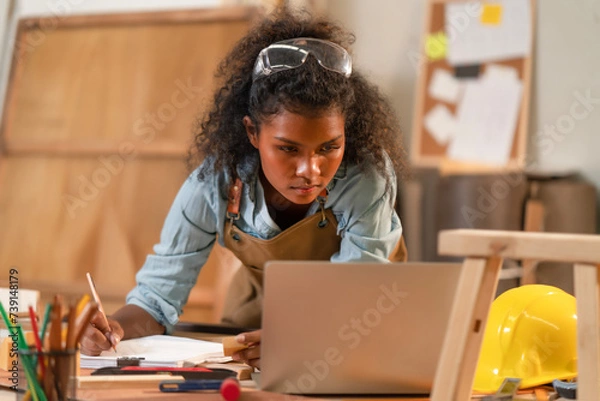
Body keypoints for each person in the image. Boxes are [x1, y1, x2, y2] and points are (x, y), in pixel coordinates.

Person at [80, 6, 408, 370]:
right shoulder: (215, 183)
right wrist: (114, 329)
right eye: (288, 148)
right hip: (264, 306)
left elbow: (354, 299)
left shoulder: (366, 178)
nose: (310, 170)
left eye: (329, 147)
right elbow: (156, 300)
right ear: (252, 132)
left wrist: (296, 341)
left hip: (363, 316)